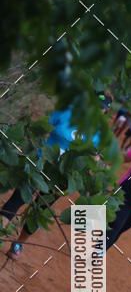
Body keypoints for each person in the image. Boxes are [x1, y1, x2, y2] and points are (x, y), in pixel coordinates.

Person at [1, 106, 102, 260]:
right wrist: (29, 145)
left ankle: (18, 244)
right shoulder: (66, 111)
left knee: (39, 211)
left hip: (61, 178)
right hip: (39, 165)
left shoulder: (97, 132)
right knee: (17, 199)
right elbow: (41, 128)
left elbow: (92, 159)